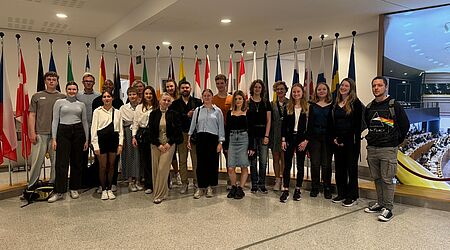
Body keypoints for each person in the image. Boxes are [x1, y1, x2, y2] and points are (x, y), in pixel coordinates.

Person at [364, 76, 409, 222]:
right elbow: (368, 124)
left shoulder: (394, 105)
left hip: (388, 149)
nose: (376, 88)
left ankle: (388, 208)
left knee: (387, 179)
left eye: (379, 85)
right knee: (377, 178)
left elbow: (405, 125)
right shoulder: (370, 107)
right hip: (372, 148)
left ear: (386, 87)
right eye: (374, 86)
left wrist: (396, 141)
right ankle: (381, 203)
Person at [48, 82, 89, 202]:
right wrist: (54, 138)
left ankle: (74, 188)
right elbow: (55, 120)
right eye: (69, 89)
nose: (72, 91)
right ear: (66, 90)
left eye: (74, 89)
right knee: (61, 163)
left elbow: (85, 121)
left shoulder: (81, 104)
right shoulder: (59, 102)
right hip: (63, 131)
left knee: (77, 161)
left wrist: (86, 139)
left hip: (78, 132)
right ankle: (60, 191)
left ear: (77, 90)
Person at [28, 71, 66, 188]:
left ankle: (52, 183)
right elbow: (32, 115)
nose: (51, 81)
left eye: (54, 80)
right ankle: (32, 185)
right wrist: (32, 132)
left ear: (57, 82)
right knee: (36, 162)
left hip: (56, 136)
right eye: (49, 79)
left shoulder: (62, 97)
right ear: (45, 81)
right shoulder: (37, 96)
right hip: (40, 134)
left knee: (55, 162)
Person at [331, 78, 364, 207]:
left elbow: (356, 125)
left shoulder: (356, 103)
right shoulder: (336, 102)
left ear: (351, 88)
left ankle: (352, 195)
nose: (343, 87)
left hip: (351, 141)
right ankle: (341, 193)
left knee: (351, 169)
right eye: (342, 85)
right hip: (337, 141)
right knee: (339, 168)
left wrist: (344, 140)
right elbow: (333, 122)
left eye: (346, 85)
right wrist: (335, 137)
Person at [188, 89, 225, 199]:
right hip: (201, 139)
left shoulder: (217, 111)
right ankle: (200, 187)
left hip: (213, 140)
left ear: (212, 97)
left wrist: (220, 142)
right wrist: (189, 138)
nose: (207, 97)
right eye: (205, 95)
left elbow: (221, 128)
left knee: (212, 164)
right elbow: (193, 125)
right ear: (202, 97)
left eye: (209, 95)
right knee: (201, 164)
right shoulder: (198, 110)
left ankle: (210, 187)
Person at [148, 92, 182, 204]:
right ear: (159, 100)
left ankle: (159, 194)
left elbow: (177, 132)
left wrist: (169, 143)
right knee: (156, 169)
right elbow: (151, 132)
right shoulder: (153, 114)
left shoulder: (174, 114)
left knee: (163, 169)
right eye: (164, 100)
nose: (166, 102)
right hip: (155, 145)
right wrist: (158, 145)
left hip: (169, 145)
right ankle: (160, 191)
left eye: (168, 101)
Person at [169, 81, 202, 194]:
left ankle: (197, 182)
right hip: (181, 134)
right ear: (179, 89)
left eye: (187, 87)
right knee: (182, 160)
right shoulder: (175, 104)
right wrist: (186, 115)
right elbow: (174, 119)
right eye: (183, 88)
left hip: (194, 134)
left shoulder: (197, 102)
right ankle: (184, 183)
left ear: (190, 88)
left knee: (195, 160)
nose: (185, 89)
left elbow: (201, 117)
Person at [92, 79, 124, 193]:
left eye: (109, 97)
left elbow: (120, 130)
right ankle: (103, 187)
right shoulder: (97, 111)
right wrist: (95, 145)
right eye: (104, 97)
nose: (107, 99)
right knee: (102, 166)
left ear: (112, 98)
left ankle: (110, 188)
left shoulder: (117, 112)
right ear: (102, 99)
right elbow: (93, 129)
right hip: (101, 141)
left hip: (113, 141)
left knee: (112, 166)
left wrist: (120, 144)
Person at [279, 83, 309, 203]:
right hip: (290, 138)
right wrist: (283, 139)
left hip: (302, 139)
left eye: (298, 92)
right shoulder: (288, 106)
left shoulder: (307, 107)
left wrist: (306, 141)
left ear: (302, 93)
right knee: (287, 165)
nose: (296, 94)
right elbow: (284, 125)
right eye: (294, 92)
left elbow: (310, 126)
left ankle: (298, 189)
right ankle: (285, 189)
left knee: (300, 165)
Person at [224, 90, 254, 199]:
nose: (238, 101)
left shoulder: (248, 112)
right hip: (232, 139)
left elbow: (251, 130)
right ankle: (233, 187)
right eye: (236, 99)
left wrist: (251, 146)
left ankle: (240, 188)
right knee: (230, 166)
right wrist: (226, 145)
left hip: (243, 139)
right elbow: (227, 129)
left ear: (243, 100)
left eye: (240, 98)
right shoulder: (229, 112)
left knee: (243, 165)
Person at [305, 82, 333, 199]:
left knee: (326, 164)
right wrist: (307, 140)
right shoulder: (312, 106)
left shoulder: (332, 105)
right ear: (316, 92)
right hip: (314, 138)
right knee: (315, 164)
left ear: (328, 91)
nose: (321, 91)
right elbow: (309, 124)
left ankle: (327, 187)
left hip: (328, 138)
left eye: (324, 89)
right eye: (319, 89)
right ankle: (315, 187)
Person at [132, 86, 159, 194]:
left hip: (155, 135)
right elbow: (135, 123)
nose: (148, 95)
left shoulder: (157, 106)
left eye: (150, 93)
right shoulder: (139, 107)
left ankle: (159, 184)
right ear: (143, 95)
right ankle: (149, 185)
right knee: (146, 161)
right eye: (146, 93)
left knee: (156, 160)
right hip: (143, 135)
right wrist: (134, 136)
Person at [247, 79, 272, 193]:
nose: (257, 89)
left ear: (262, 89)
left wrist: (267, 136)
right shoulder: (247, 102)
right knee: (252, 161)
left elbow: (269, 120)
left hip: (263, 135)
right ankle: (254, 184)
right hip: (251, 136)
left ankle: (262, 184)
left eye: (259, 87)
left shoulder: (266, 103)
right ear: (252, 88)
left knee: (263, 161)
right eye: (255, 87)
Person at [76, 72, 100, 188]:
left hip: (96, 129)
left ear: (94, 83)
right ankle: (83, 181)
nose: (88, 83)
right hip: (81, 129)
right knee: (82, 157)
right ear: (83, 82)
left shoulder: (99, 95)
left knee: (98, 156)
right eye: (86, 81)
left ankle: (96, 180)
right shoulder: (77, 95)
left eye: (90, 81)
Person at [212, 74, 233, 190]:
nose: (220, 85)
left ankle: (230, 181)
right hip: (215, 131)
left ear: (226, 83)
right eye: (218, 83)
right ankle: (213, 181)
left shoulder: (232, 98)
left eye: (222, 83)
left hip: (228, 131)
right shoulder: (213, 99)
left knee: (228, 156)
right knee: (214, 157)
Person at [120, 87, 142, 192]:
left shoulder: (141, 107)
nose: (132, 96)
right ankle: (130, 181)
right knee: (129, 156)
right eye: (130, 94)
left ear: (138, 95)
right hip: (127, 133)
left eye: (134, 94)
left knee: (138, 156)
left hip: (138, 132)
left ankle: (138, 180)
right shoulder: (123, 108)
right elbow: (121, 123)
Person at [269, 81, 288, 191]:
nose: (280, 91)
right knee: (275, 158)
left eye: (282, 89)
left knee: (284, 158)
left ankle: (285, 180)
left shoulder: (290, 103)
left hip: (286, 134)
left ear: (286, 90)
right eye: (277, 89)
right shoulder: (272, 104)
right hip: (275, 134)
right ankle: (277, 180)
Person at [165, 79, 181, 186]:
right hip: (167, 130)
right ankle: (169, 176)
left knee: (179, 154)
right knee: (171, 155)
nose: (170, 88)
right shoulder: (164, 98)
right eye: (167, 87)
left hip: (179, 129)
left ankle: (177, 174)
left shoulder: (179, 99)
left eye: (171, 86)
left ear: (175, 87)